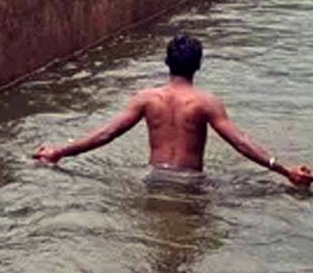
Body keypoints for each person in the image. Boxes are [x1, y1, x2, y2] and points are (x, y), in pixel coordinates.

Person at [33, 34, 313, 188]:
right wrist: (285, 170)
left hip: (154, 179)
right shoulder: (206, 102)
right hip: (191, 183)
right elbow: (240, 143)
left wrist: (59, 152)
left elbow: (106, 134)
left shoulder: (146, 98)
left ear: (166, 62)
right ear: (199, 65)